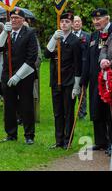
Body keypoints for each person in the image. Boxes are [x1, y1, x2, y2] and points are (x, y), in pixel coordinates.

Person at [0, 8, 39, 144]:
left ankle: (29, 135)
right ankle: (11, 134)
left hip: (25, 75)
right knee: (9, 106)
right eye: (12, 17)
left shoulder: (30, 33)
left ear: (23, 20)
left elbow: (32, 57)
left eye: (17, 18)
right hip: (7, 75)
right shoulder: (7, 33)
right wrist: (4, 33)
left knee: (26, 105)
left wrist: (18, 76)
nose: (13, 20)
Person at [44, 11, 82, 149]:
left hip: (68, 81)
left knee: (68, 112)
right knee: (57, 112)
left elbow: (78, 64)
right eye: (62, 22)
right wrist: (54, 38)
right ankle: (58, 140)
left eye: (67, 22)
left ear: (72, 24)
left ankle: (68, 140)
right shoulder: (56, 38)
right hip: (55, 81)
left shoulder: (75, 41)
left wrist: (77, 85)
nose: (64, 24)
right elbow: (47, 54)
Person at [80, 8, 112, 156]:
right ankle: (100, 141)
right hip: (95, 80)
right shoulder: (94, 35)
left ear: (107, 19)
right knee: (96, 110)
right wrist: (83, 80)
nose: (96, 22)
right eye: (94, 20)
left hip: (109, 79)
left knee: (109, 112)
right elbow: (87, 58)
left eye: (98, 19)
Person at [72, 15, 90, 119]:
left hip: (83, 67)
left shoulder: (87, 36)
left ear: (81, 24)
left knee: (82, 91)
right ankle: (69, 111)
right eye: (75, 22)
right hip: (71, 68)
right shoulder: (69, 35)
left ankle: (82, 113)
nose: (77, 23)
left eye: (79, 21)